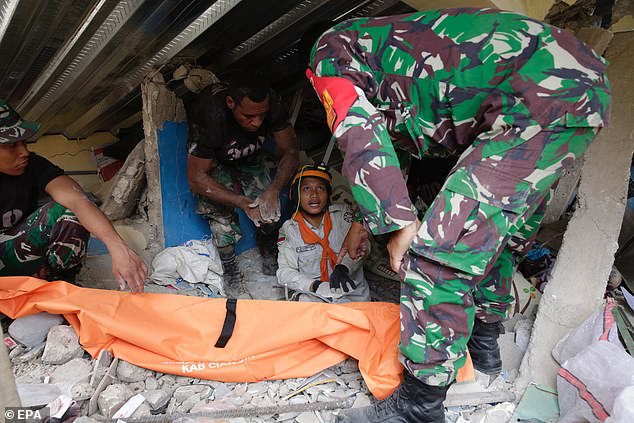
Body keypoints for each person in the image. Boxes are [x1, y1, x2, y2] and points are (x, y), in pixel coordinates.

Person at [301, 8, 611, 422]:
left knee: (436, 253)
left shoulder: (328, 51)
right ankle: (484, 346)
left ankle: (417, 407)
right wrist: (367, 218)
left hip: (534, 100)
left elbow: (358, 132)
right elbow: (393, 146)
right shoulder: (385, 49)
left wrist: (400, 225)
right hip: (574, 89)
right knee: (496, 236)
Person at [0, 100, 147, 292]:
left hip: (13, 249)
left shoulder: (32, 165)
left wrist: (118, 247)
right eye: (11, 145)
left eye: (24, 142)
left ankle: (60, 287)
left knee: (66, 211)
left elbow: (78, 200)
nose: (24, 152)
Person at [186, 71, 299, 298]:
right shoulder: (210, 113)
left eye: (261, 116)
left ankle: (269, 250)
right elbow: (197, 177)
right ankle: (231, 271)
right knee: (220, 219)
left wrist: (274, 190)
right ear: (230, 103)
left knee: (267, 208)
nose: (257, 123)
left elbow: (291, 150)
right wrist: (241, 203)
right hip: (214, 164)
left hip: (250, 156)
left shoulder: (272, 101)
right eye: (248, 116)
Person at [277, 165, 371, 303]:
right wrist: (315, 286)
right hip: (316, 297)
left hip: (353, 297)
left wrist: (343, 267)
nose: (314, 194)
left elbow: (363, 246)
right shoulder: (289, 230)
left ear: (328, 194)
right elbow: (284, 273)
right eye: (306, 188)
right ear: (296, 195)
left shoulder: (341, 214)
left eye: (320, 188)